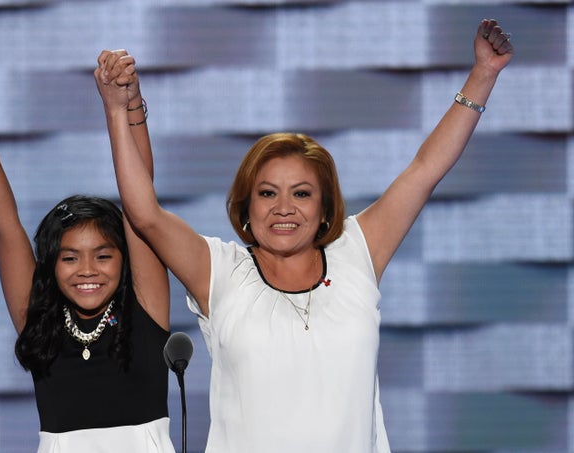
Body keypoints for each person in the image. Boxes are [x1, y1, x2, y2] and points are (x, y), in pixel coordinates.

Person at [96, 19, 513, 452]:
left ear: (325, 206)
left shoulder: (358, 250)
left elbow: (425, 169)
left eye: (301, 193)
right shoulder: (219, 271)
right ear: (246, 204)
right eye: (267, 193)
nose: (283, 208)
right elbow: (143, 214)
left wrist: (483, 73)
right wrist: (118, 109)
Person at [0, 54, 176, 453]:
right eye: (69, 258)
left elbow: (142, 200)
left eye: (103, 256)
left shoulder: (146, 307)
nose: (87, 270)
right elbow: (5, 224)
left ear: (125, 259)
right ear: (52, 265)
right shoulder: (40, 324)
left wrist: (121, 107)